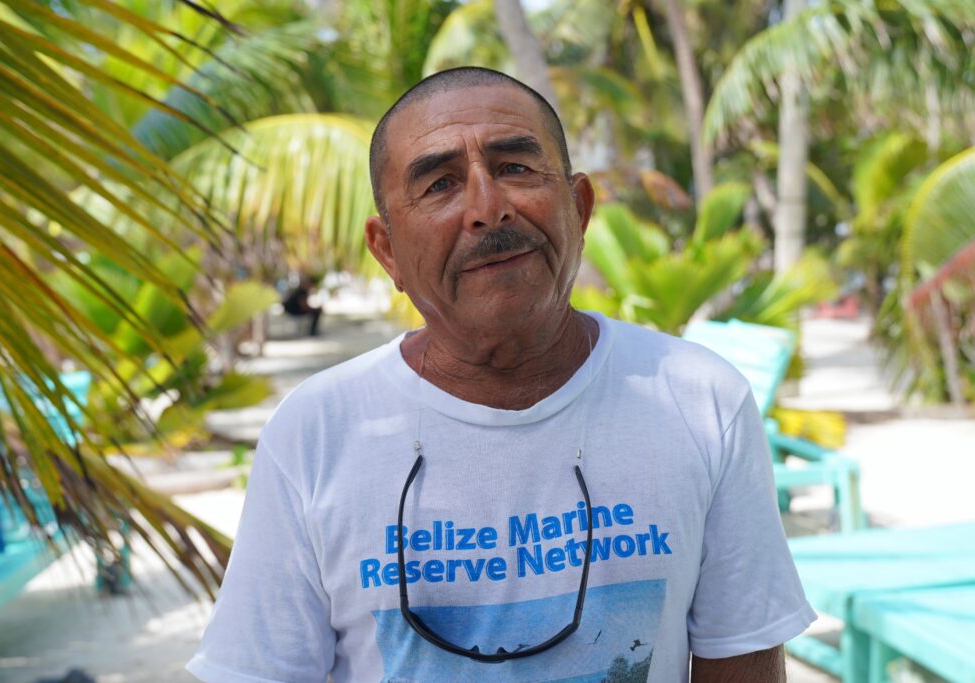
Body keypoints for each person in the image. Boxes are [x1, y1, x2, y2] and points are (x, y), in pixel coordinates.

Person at [187, 67, 815, 683]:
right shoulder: (315, 433)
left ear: (580, 207)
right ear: (388, 252)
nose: (488, 208)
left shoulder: (700, 401)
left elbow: (743, 659)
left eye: (515, 167)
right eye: (439, 184)